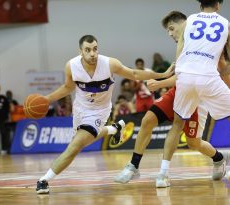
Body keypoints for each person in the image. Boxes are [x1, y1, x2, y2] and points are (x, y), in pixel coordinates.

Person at [35, 35, 172, 194]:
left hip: (99, 111)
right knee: (82, 142)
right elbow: (67, 87)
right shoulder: (71, 66)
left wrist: (162, 75)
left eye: (95, 49)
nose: (92, 53)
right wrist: (47, 99)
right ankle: (113, 129)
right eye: (88, 50)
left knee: (75, 146)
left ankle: (44, 180)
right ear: (81, 52)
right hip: (80, 109)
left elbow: (134, 74)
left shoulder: (109, 64)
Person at [114, 11, 230, 187]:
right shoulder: (183, 45)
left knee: (194, 142)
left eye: (171, 29)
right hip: (178, 91)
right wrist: (163, 79)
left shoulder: (202, 42)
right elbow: (179, 77)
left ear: (184, 24)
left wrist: (229, 86)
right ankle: (134, 166)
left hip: (197, 97)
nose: (170, 34)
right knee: (148, 120)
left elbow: (220, 63)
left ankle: (219, 157)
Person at [167, 0, 230, 186]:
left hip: (185, 79)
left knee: (179, 127)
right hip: (209, 79)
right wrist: (219, 76)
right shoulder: (227, 25)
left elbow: (178, 60)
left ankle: (163, 174)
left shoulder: (189, 21)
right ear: (218, 5)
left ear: (200, 4)